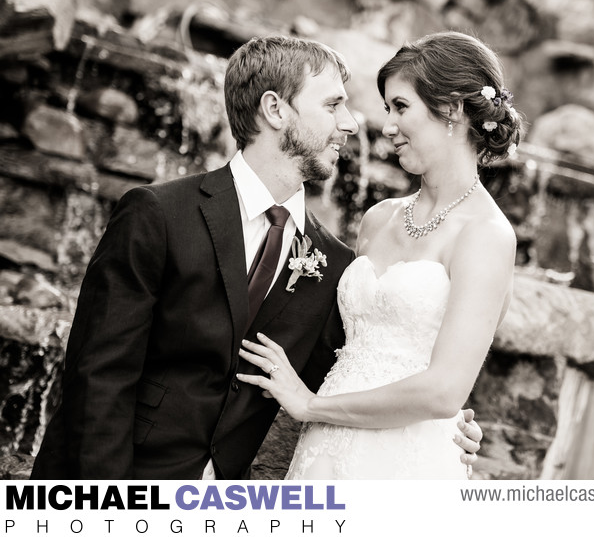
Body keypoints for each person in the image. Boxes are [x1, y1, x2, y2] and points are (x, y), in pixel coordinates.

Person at [30, 35, 481, 480]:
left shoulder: (335, 263)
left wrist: (437, 424)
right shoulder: (157, 214)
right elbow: (98, 377)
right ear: (275, 109)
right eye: (332, 105)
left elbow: (350, 372)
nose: (350, 124)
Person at [237, 31, 521, 479]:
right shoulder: (378, 219)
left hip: (403, 462)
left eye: (401, 107)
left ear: (451, 109)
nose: (387, 126)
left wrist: (310, 403)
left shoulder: (487, 235)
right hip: (323, 445)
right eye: (388, 109)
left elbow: (445, 391)